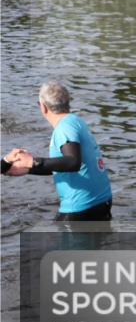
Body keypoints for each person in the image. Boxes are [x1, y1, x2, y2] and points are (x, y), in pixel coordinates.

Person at [2, 81, 113, 221]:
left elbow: (73, 161)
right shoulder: (75, 121)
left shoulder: (64, 128)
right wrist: (28, 169)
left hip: (81, 208)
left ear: (42, 107)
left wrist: (33, 162)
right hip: (101, 201)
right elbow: (64, 165)